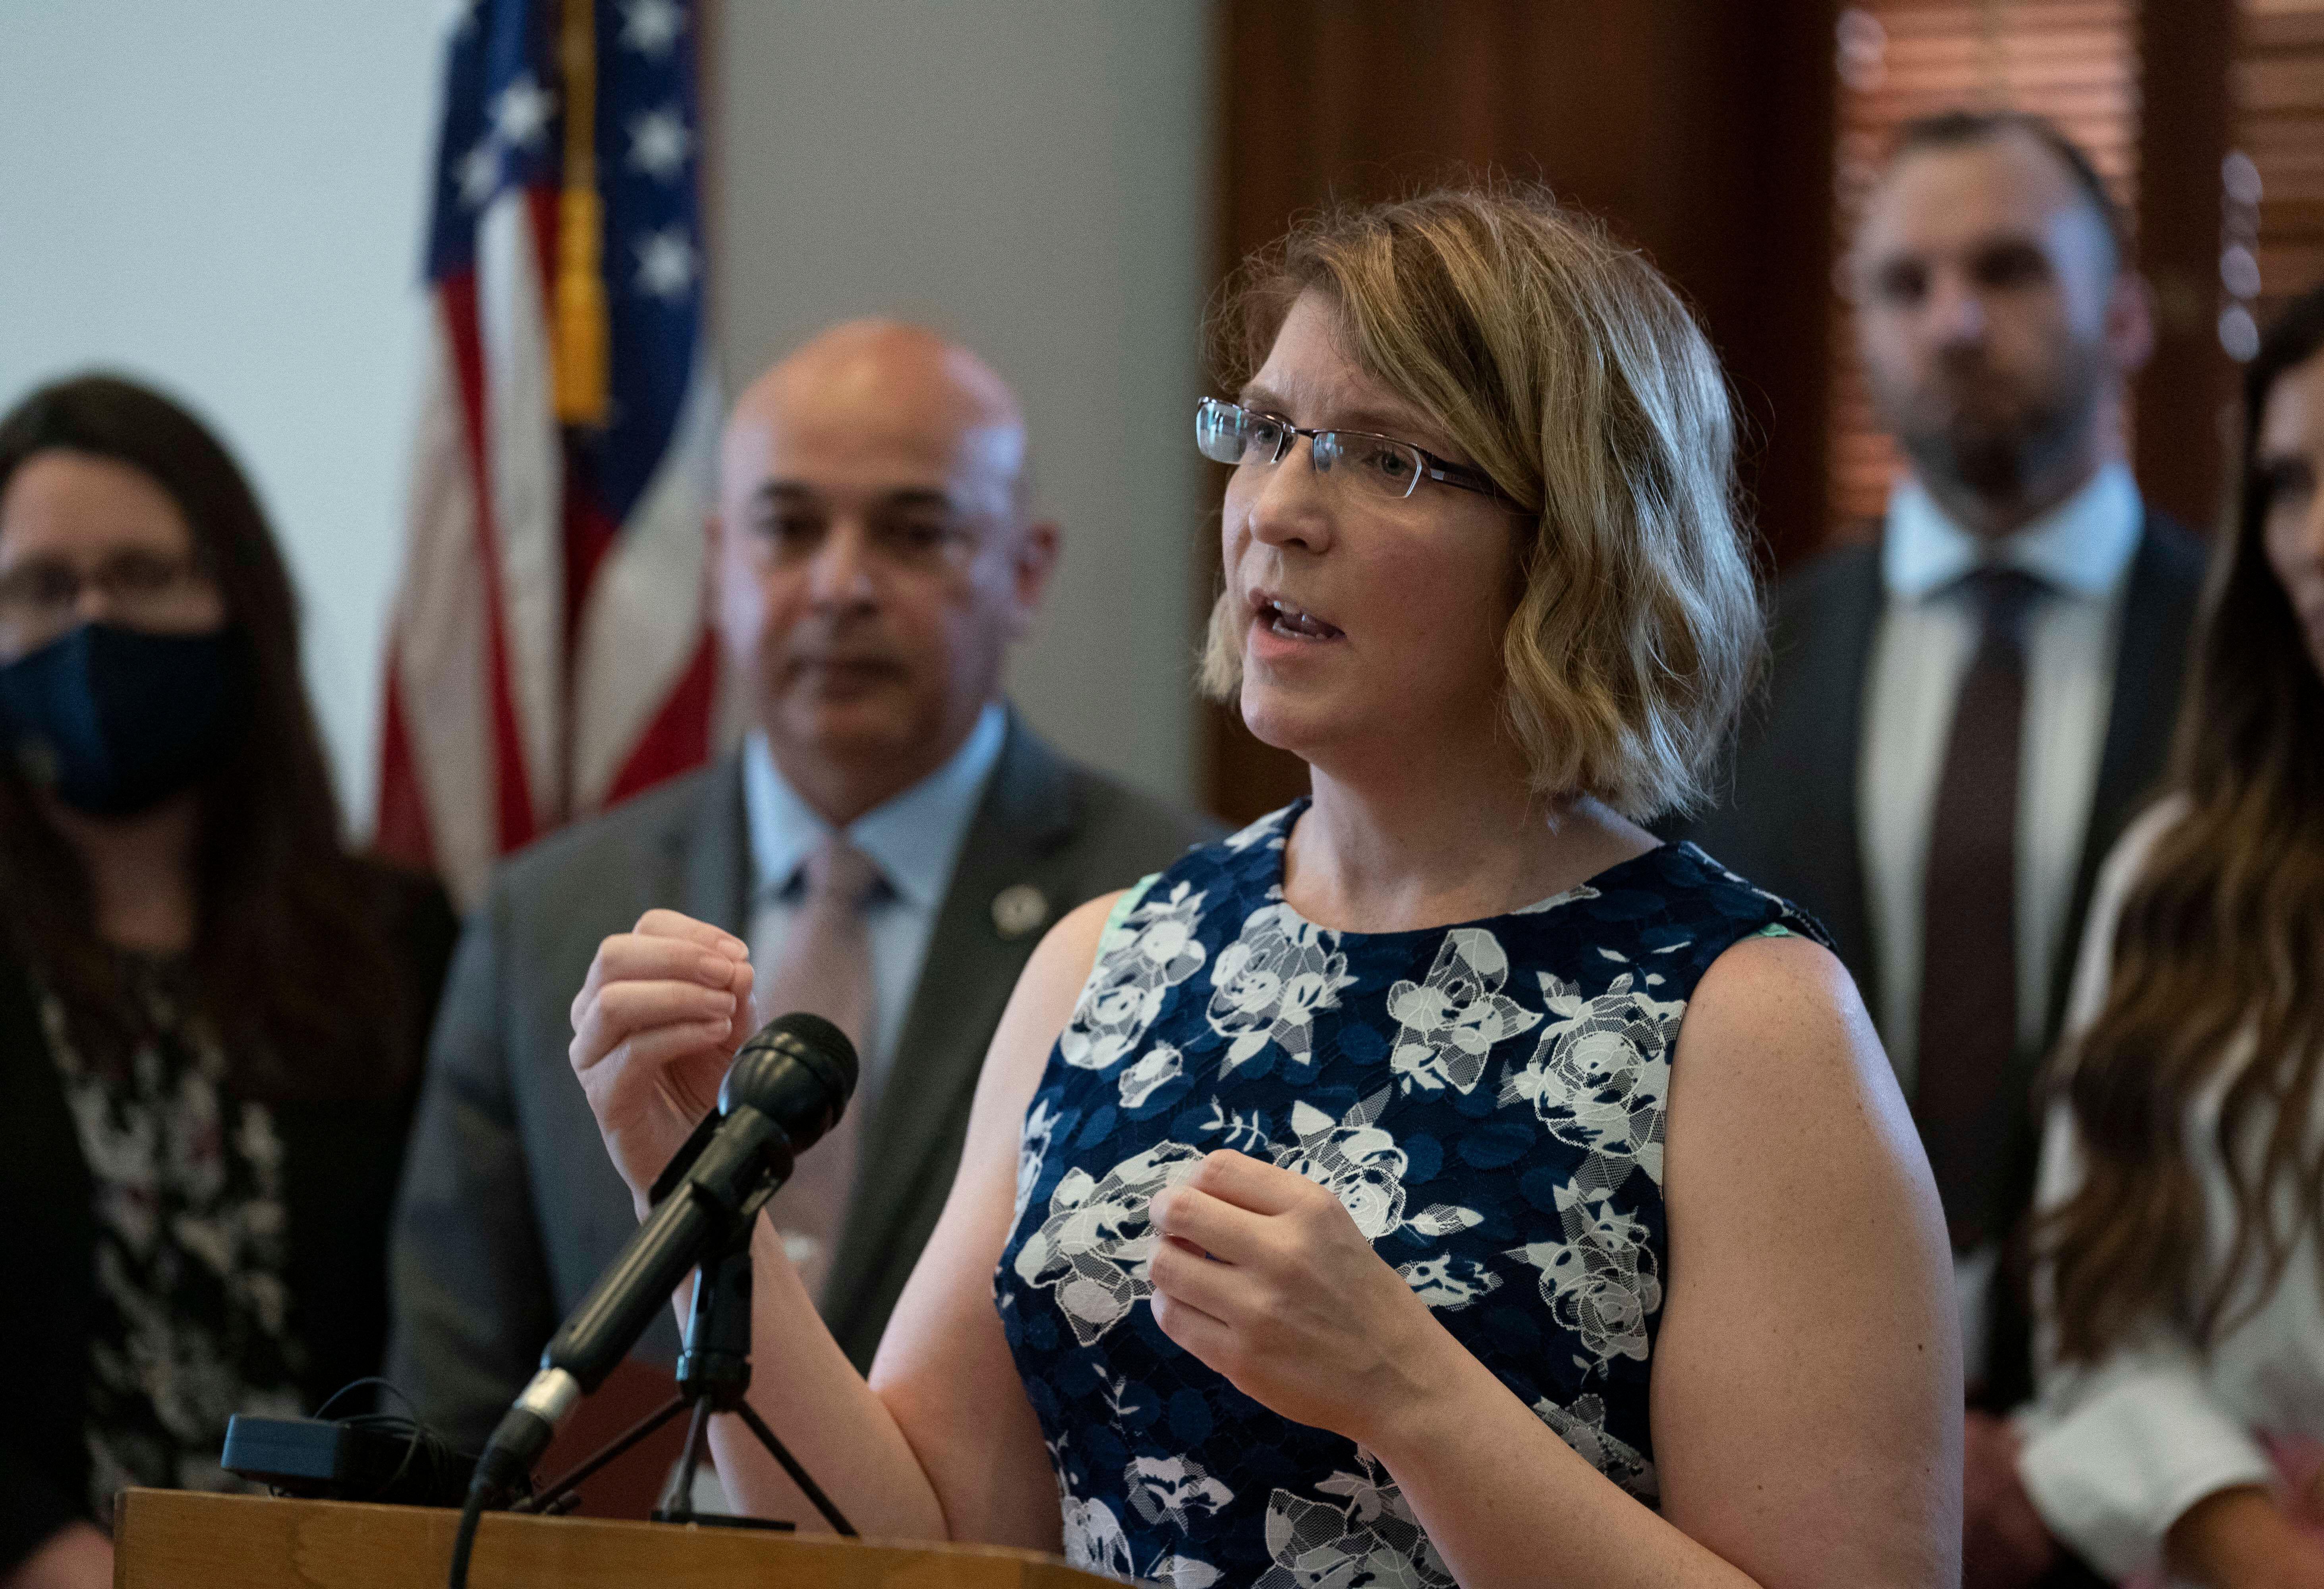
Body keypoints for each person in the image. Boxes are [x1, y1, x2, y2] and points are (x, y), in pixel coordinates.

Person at [568, 186, 1959, 1587]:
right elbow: (916, 1545)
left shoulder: (1751, 1024)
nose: (1278, 513)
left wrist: (1412, 1395)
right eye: (1267, 434)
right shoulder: (1109, 960)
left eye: (1389, 461)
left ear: (1573, 543)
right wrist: (693, 1193)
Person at [386, 320, 1219, 1468]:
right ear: (723, 565)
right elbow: (447, 1393)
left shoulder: (1176, 909)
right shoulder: (553, 913)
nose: (840, 586)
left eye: (913, 532)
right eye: (788, 530)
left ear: (1024, 573)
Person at [1683, 109, 2207, 1581]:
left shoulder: (2263, 668)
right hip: (1795, 1478)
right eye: (1905, 286)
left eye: (2009, 270)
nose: (1955, 320)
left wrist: (2083, 1455)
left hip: (2193, 1477)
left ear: (2121, 316)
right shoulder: (1730, 676)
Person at [0, 376, 456, 1589]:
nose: (94, 621)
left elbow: (453, 1322)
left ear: (236, 601)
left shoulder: (401, 939)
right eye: (42, 588)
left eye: (145, 575)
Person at [2014, 260, 2324, 1589]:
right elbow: (2101, 1321)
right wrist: (2261, 1547)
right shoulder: (2187, 872)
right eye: (2288, 485)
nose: (2323, 540)